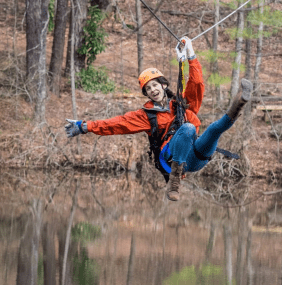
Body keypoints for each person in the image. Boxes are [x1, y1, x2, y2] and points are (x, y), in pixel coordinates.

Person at [65, 36, 252, 201]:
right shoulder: (146, 115)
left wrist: (190, 54)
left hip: (195, 157)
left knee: (213, 129)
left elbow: (196, 84)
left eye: (155, 85)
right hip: (170, 159)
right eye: (148, 89)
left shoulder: (180, 104)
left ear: (163, 85)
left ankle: (239, 104)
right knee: (187, 129)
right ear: (146, 94)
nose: (153, 90)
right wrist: (84, 126)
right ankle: (175, 181)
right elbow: (116, 124)